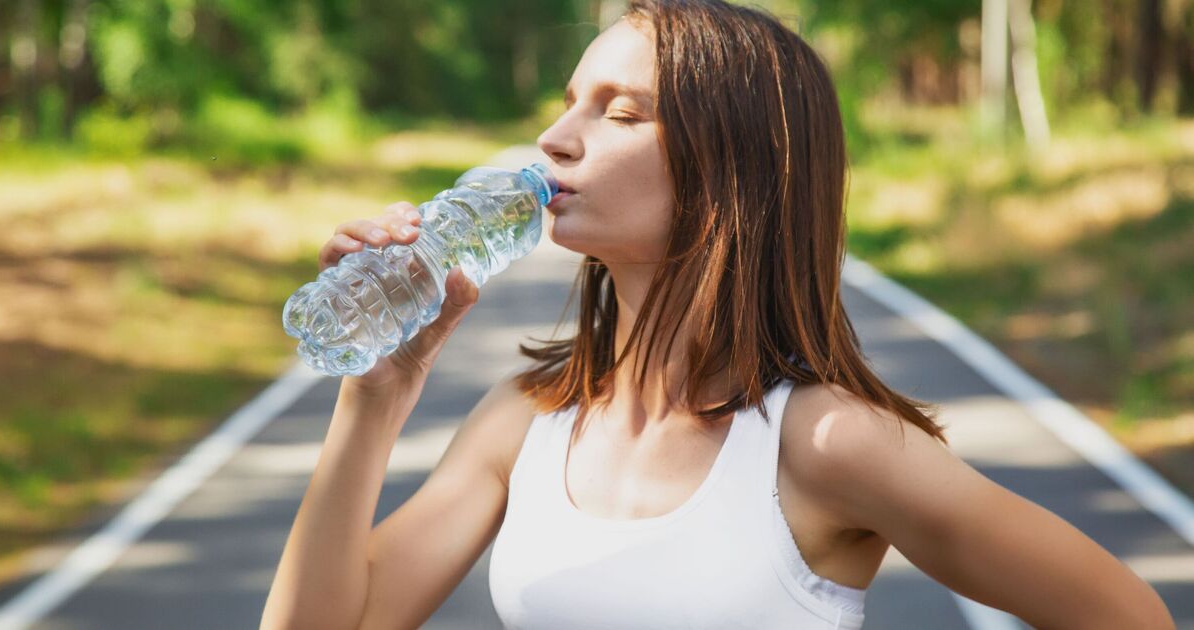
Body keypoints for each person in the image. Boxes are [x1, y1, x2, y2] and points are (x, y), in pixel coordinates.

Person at [260, 1, 1176, 629]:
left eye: (621, 112)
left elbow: (1125, 614)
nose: (555, 138)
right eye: (568, 101)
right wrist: (374, 396)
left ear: (729, 168)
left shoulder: (822, 444)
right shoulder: (527, 423)